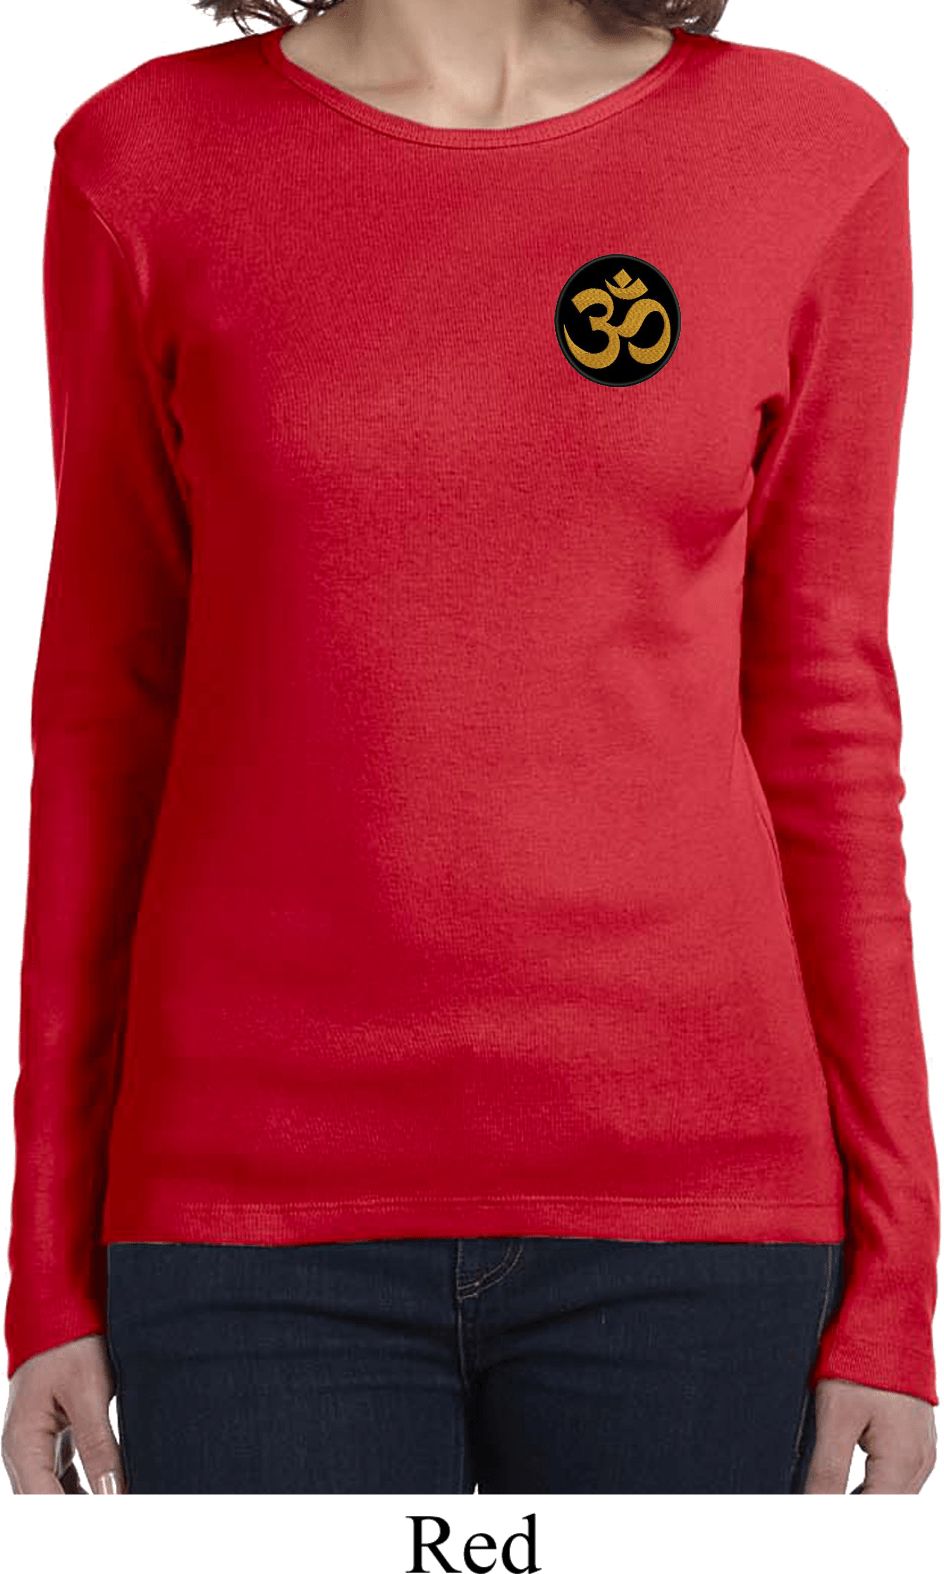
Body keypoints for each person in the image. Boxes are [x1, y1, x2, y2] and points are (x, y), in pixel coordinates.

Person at [1, 0, 939, 1495]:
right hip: (250, 1228)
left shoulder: (808, 157)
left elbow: (829, 726)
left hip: (695, 1219)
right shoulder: (145, 161)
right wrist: (45, 1266)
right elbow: (104, 728)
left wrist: (897, 1282)